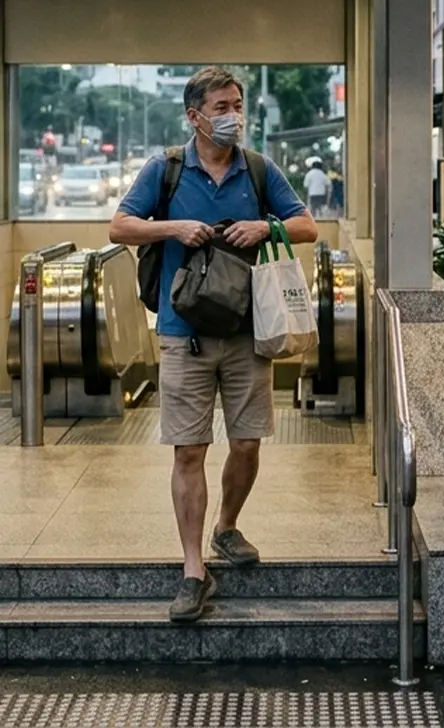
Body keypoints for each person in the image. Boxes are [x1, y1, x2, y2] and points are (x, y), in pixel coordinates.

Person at [110, 67, 317, 624]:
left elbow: (306, 225)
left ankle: (227, 525)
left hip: (248, 333)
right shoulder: (166, 169)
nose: (232, 116)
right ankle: (193, 569)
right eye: (221, 106)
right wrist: (172, 229)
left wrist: (265, 229)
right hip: (184, 335)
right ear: (194, 115)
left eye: (237, 104)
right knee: (189, 450)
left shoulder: (257, 169)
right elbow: (120, 227)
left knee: (247, 443)